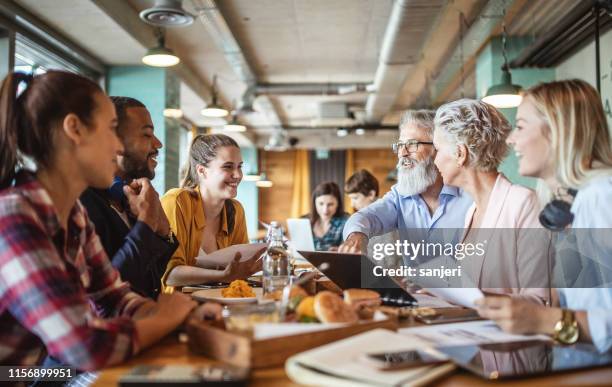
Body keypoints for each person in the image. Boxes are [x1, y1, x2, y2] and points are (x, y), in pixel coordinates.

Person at [0, 71, 199, 370]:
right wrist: (165, 318)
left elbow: (114, 296)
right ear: (75, 129)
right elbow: (85, 347)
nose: (118, 147)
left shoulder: (74, 215)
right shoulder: (14, 218)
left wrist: (183, 314)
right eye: (111, 129)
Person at [475, 79, 612, 352]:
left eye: (521, 126)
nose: (511, 138)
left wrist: (542, 319)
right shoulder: (568, 203)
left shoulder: (600, 197)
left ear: (558, 132)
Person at [432, 99, 548, 303]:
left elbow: (540, 300)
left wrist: (472, 298)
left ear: (460, 153)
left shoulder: (523, 202)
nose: (435, 160)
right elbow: (471, 286)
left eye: (437, 150)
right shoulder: (471, 212)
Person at [339, 109, 473, 257]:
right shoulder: (399, 196)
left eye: (412, 144)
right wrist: (356, 235)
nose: (402, 153)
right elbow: (368, 216)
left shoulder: (470, 197)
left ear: (438, 148)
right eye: (400, 145)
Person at [79, 97, 176, 299]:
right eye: (147, 134)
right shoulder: (82, 203)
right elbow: (108, 293)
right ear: (113, 140)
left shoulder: (130, 195)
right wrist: (146, 223)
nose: (158, 143)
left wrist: (163, 231)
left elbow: (149, 277)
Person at [161, 134, 263, 292]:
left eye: (239, 166)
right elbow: (170, 275)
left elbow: (239, 271)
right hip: (179, 308)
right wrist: (223, 276)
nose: (238, 175)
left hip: (222, 305)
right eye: (228, 166)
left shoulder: (236, 210)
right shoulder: (177, 202)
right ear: (202, 171)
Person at [308, 181, 348, 251]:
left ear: (338, 203)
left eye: (330, 204)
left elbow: (349, 250)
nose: (325, 210)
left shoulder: (346, 221)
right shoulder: (304, 220)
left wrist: (340, 250)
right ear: (314, 203)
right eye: (321, 204)